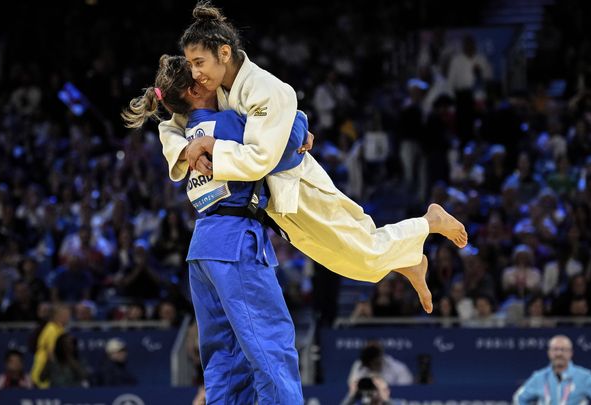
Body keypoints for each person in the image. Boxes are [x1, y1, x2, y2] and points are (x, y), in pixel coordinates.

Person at [155, 1, 468, 314]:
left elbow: (259, 159)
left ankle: (429, 221)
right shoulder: (219, 87)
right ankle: (409, 262)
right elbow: (172, 124)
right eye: (191, 64)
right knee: (349, 263)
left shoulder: (264, 88)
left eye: (199, 63)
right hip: (275, 201)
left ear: (224, 53)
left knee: (364, 251)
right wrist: (186, 149)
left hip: (299, 185)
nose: (195, 73)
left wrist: (215, 145)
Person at [124, 55, 303, 404]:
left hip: (204, 246)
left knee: (225, 361)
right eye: (201, 78)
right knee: (271, 345)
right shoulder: (226, 124)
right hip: (236, 243)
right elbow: (284, 145)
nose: (212, 81)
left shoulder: (187, 134)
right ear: (194, 89)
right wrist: (300, 121)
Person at [513, 335, 591, 404]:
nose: (559, 354)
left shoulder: (584, 376)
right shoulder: (539, 377)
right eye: (555, 349)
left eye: (563, 350)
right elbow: (519, 398)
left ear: (571, 353)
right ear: (549, 353)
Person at [30, 304, 70, 388]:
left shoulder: (59, 329)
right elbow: (50, 352)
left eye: (68, 315)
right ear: (57, 316)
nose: (68, 318)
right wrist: (57, 370)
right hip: (44, 366)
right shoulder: (52, 329)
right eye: (65, 315)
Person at [347, 341, 413, 388]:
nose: (371, 366)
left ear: (379, 357)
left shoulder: (399, 368)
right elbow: (352, 387)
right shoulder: (359, 365)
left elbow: (406, 391)